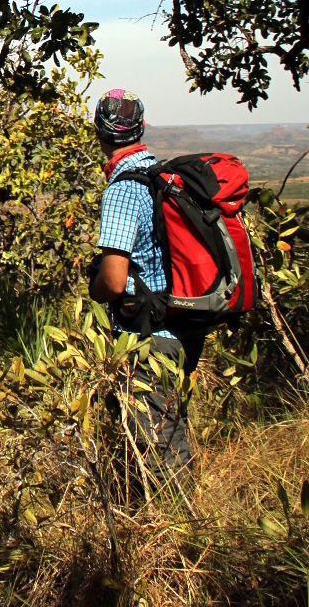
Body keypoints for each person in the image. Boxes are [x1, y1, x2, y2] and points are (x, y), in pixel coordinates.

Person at [87, 88, 204, 492]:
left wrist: (96, 288)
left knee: (157, 446)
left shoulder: (122, 188)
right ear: (141, 128)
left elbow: (115, 280)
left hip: (148, 338)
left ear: (99, 132)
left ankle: (181, 536)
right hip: (183, 325)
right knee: (171, 428)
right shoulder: (165, 177)